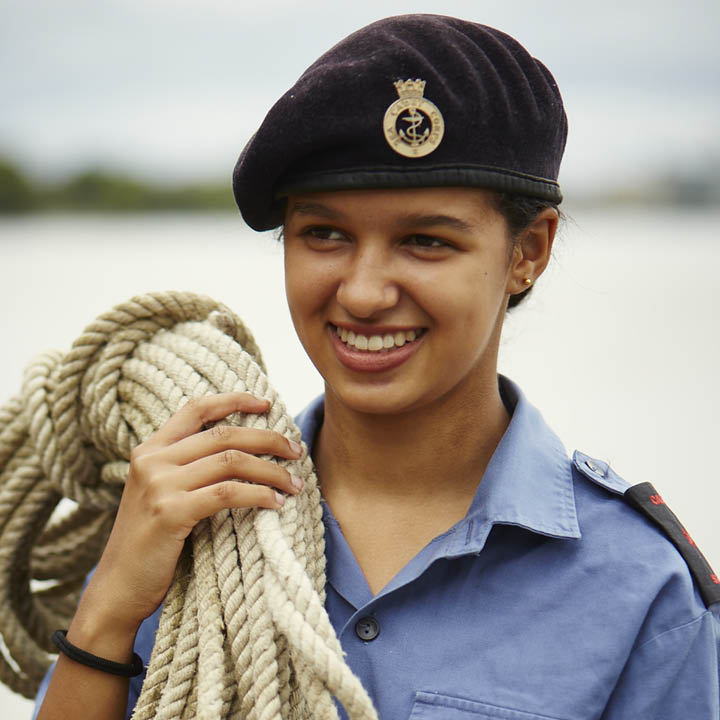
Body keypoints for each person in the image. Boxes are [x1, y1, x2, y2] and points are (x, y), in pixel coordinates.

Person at [35, 14, 720, 720]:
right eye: (323, 234)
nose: (362, 292)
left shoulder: (639, 591)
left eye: (425, 241)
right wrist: (108, 610)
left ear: (529, 252)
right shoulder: (183, 520)